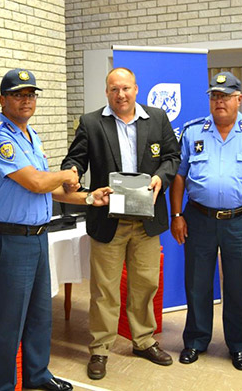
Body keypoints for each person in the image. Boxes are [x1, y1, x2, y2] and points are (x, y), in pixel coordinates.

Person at [0, 68, 113, 391]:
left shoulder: (31, 136)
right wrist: (66, 174)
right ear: (3, 100)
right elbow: (37, 182)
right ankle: (0, 386)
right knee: (7, 322)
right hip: (10, 239)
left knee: (40, 314)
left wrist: (89, 198)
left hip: (38, 237)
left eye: (30, 95)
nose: (26, 100)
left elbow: (48, 189)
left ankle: (37, 375)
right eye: (18, 95)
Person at [60, 67, 180, 380]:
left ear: (136, 89)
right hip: (107, 219)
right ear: (107, 92)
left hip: (146, 220)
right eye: (114, 89)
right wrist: (72, 173)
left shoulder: (157, 118)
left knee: (145, 283)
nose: (120, 95)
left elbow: (172, 157)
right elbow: (75, 159)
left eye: (125, 88)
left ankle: (143, 340)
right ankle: (100, 348)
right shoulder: (91, 123)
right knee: (104, 290)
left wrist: (161, 177)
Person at [169, 71, 242, 371]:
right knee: (197, 283)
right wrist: (176, 215)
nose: (220, 101)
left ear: (239, 99)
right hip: (198, 218)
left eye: (226, 96)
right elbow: (178, 177)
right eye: (215, 96)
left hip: (240, 221)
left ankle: (241, 346)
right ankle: (195, 340)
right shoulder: (192, 131)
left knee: (240, 285)